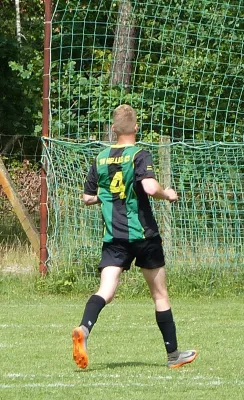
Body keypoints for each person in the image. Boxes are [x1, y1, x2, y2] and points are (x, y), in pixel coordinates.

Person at [72, 104, 197, 369]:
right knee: (160, 295)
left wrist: (107, 197)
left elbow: (86, 197)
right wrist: (168, 194)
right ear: (136, 127)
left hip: (114, 236)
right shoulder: (140, 154)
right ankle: (174, 355)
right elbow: (150, 187)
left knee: (106, 290)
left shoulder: (101, 157)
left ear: (114, 129)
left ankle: (84, 328)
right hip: (143, 234)